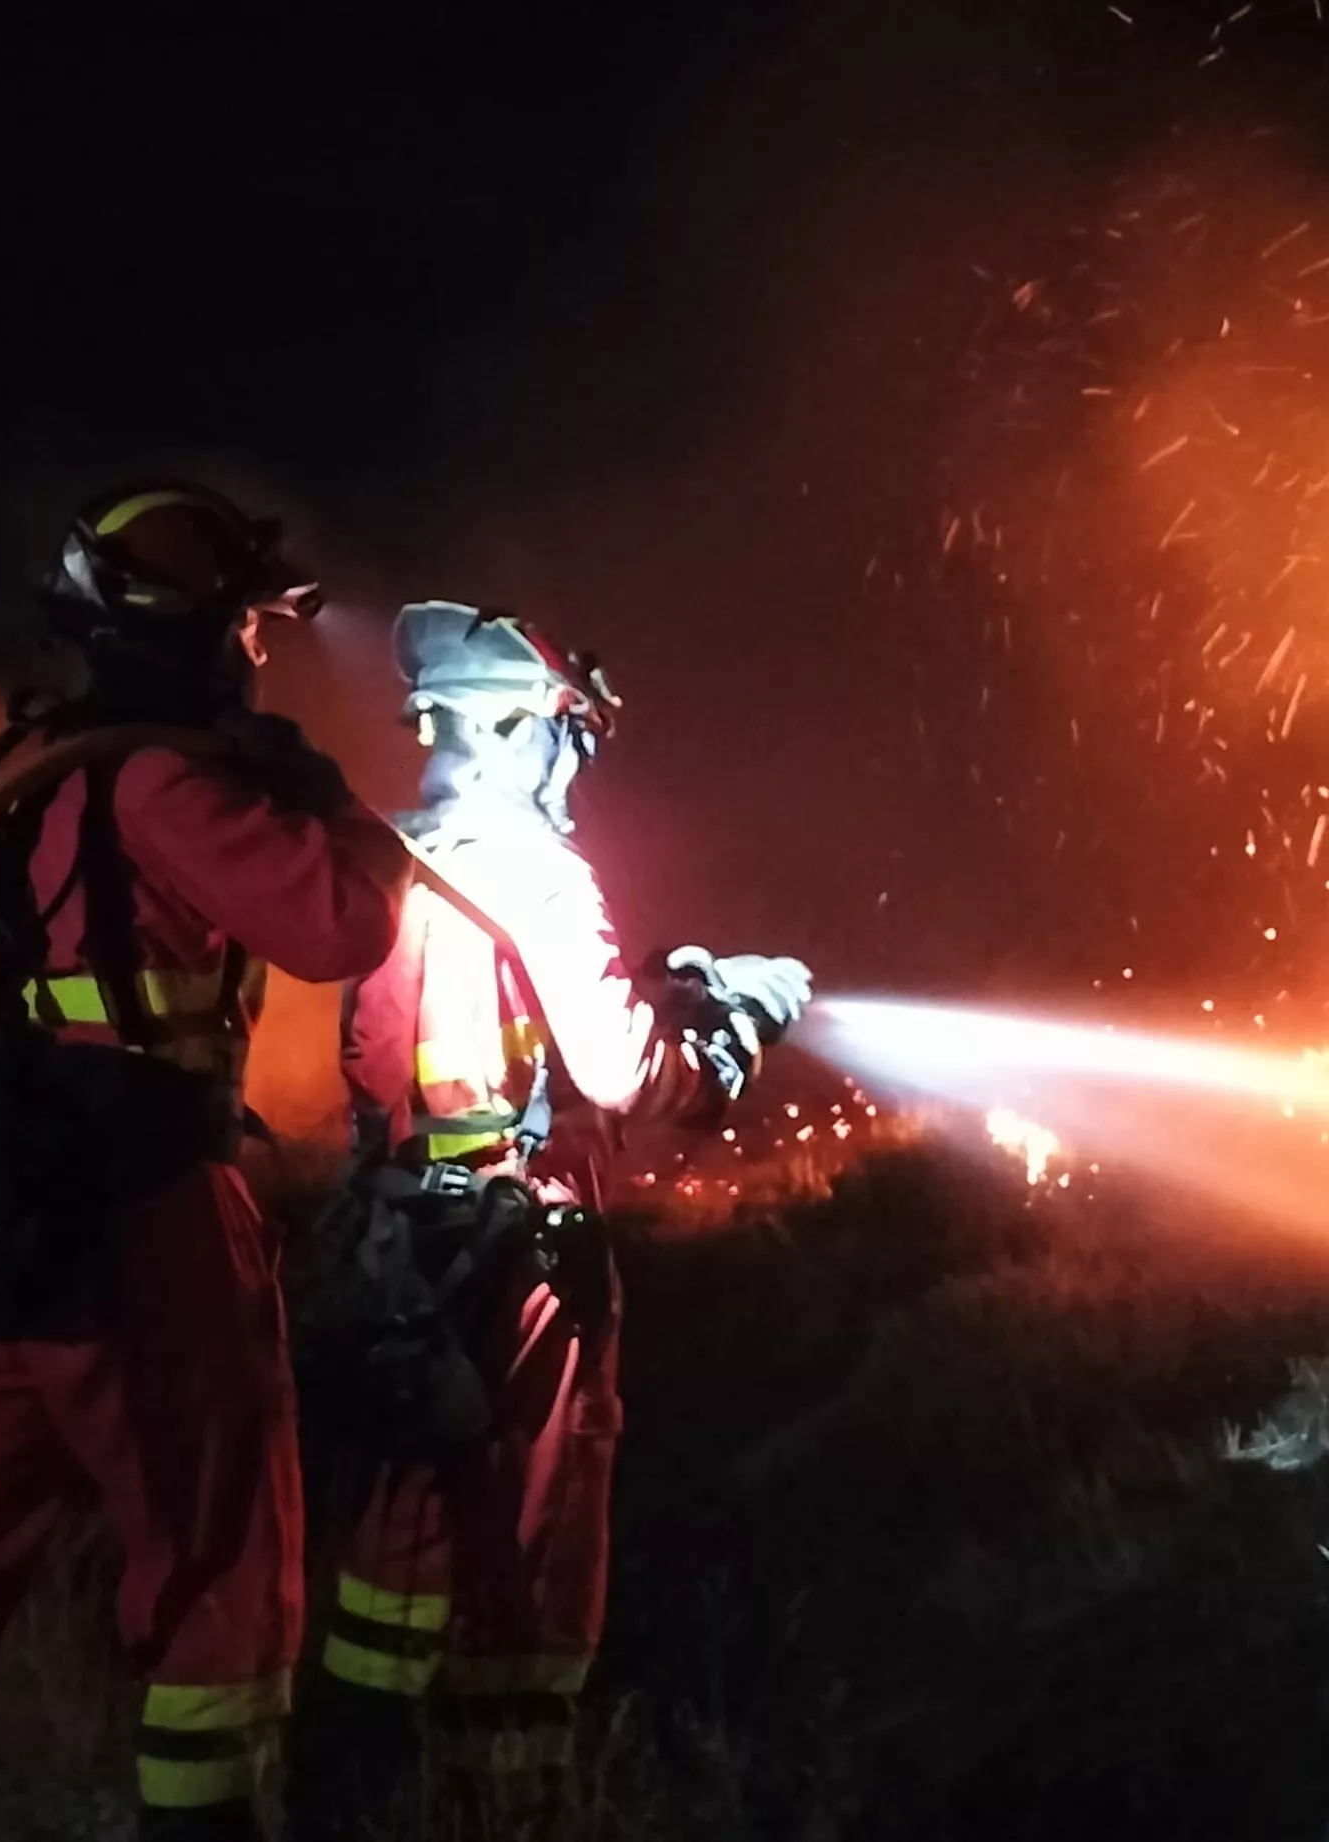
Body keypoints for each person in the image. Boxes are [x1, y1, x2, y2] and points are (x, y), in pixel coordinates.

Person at [0, 483, 411, 1842]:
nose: (258, 655)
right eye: (247, 628)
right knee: (223, 1580)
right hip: (144, 1219)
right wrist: (338, 805)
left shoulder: (18, 769)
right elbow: (342, 925)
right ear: (190, 627)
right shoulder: (161, 780)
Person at [293, 601, 809, 1837]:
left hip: (396, 1229)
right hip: (518, 1247)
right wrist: (731, 1032)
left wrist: (661, 989)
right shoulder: (541, 868)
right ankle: (506, 1801)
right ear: (523, 731)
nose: (578, 766)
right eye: (570, 737)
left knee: (406, 1513)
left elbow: (474, 1026)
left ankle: (351, 1792)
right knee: (534, 1519)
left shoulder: (390, 850)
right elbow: (628, 1076)